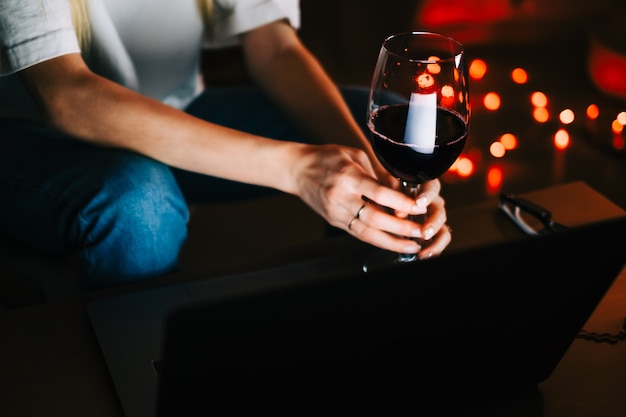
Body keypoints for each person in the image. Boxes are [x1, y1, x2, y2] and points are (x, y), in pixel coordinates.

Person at [0, 0, 451, 291]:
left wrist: (378, 175)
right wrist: (298, 170)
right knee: (138, 201)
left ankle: (368, 322)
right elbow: (65, 97)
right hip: (30, 133)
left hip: (176, 106)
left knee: (386, 126)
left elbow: (273, 47)